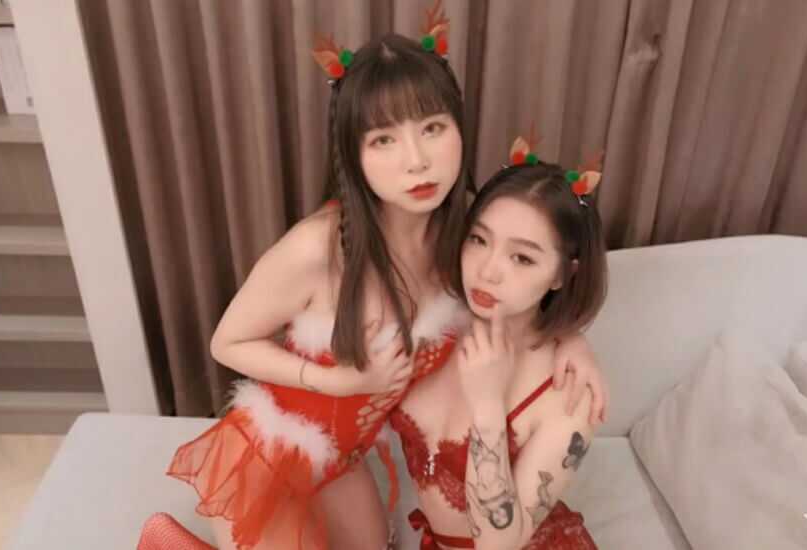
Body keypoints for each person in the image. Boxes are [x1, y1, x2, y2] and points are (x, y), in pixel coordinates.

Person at [137, 5, 608, 550]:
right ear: (353, 155)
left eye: (432, 128)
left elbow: (530, 265)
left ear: (459, 129)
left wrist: (570, 337)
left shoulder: (466, 235)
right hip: (272, 450)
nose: (417, 161)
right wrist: (335, 382)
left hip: (347, 457)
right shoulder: (319, 248)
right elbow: (227, 342)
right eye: (384, 139)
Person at [391, 139, 607, 549]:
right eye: (479, 239)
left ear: (562, 275)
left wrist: (488, 406)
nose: (487, 271)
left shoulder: (570, 396)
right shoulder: (435, 314)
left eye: (522, 258)